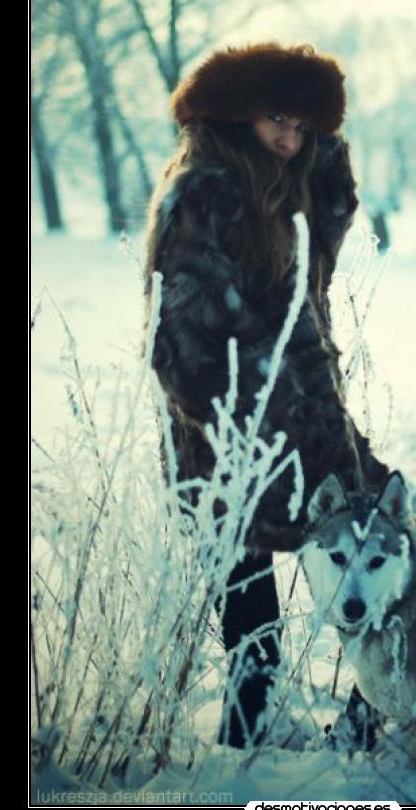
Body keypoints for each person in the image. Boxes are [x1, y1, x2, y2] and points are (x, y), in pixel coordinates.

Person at [143, 41, 388, 750]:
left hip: (308, 425)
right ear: (237, 113)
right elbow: (181, 345)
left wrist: (329, 179)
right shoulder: (205, 195)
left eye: (305, 126)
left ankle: (366, 729)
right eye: (277, 118)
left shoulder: (288, 187)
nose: (290, 137)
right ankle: (243, 752)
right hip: (231, 439)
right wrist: (260, 427)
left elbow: (306, 292)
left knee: (378, 571)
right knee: (254, 627)